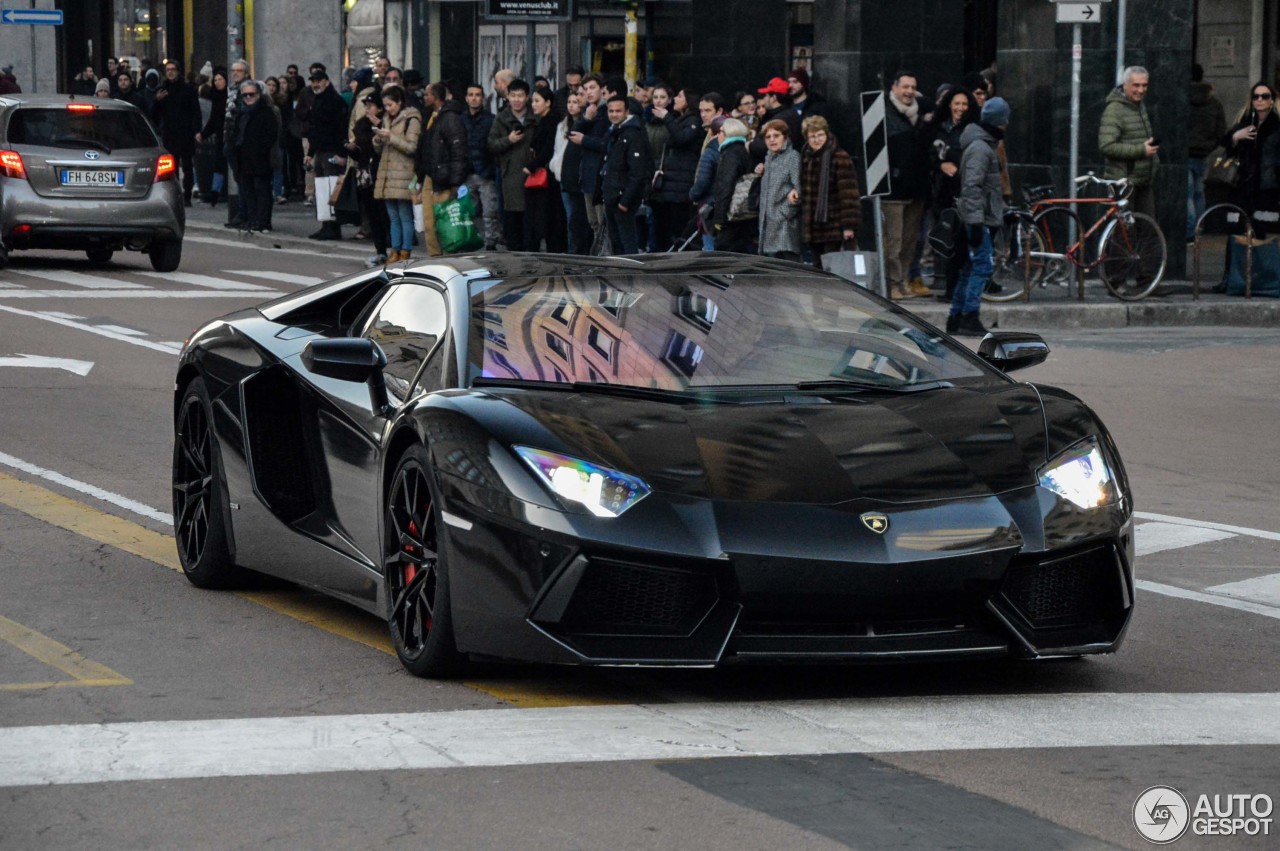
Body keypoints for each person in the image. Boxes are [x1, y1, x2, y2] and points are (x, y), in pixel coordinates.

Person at [952, 97, 1010, 337]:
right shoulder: (981, 148)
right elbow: (972, 187)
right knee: (982, 265)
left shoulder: (981, 144)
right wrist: (976, 223)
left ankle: (956, 317)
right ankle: (969, 316)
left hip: (980, 216)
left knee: (969, 266)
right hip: (978, 218)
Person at [1215, 82, 1280, 292]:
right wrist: (1237, 137)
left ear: (1272, 99)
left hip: (1267, 189)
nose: (1260, 100)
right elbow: (1224, 141)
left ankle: (1263, 281)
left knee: (1263, 232)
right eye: (1256, 96)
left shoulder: (1277, 125)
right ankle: (1233, 279)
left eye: (1265, 96)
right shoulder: (1244, 121)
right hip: (1241, 187)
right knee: (1236, 231)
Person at [882, 70, 933, 299]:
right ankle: (891, 283)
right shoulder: (885, 113)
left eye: (913, 87)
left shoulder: (920, 114)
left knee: (910, 241)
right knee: (894, 240)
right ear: (894, 88)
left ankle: (901, 281)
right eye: (905, 87)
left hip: (917, 188)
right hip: (894, 189)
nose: (909, 91)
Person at [1098, 65, 1159, 220]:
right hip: (1124, 181)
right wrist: (1141, 150)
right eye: (1136, 85)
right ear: (1125, 85)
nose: (1141, 90)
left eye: (1144, 85)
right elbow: (1106, 145)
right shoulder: (1115, 110)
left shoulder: (1139, 106)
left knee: (1148, 229)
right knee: (1123, 234)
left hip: (1143, 180)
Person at [799, 115, 860, 269]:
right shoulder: (805, 157)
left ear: (826, 134)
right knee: (818, 268)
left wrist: (848, 226)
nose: (816, 140)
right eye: (812, 136)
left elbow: (848, 196)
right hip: (813, 225)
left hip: (834, 224)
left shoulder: (839, 157)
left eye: (820, 135)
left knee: (835, 268)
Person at [928, 86, 972, 301]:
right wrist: (940, 165)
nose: (960, 108)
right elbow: (928, 153)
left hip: (963, 190)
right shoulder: (939, 127)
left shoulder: (971, 129)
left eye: (964, 104)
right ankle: (944, 282)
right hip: (942, 190)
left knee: (960, 241)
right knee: (943, 237)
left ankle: (955, 287)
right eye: (957, 104)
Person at [372, 85, 423, 261]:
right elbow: (379, 150)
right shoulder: (386, 119)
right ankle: (394, 250)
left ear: (399, 102)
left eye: (390, 105)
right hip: (387, 173)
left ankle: (405, 250)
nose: (387, 109)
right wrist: (378, 139)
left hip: (403, 173)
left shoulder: (412, 119)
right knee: (393, 216)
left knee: (404, 215)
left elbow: (411, 147)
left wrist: (391, 137)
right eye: (385, 105)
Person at [417, 81, 468, 256]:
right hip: (430, 176)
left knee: (445, 222)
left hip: (444, 178)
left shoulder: (450, 118)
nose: (424, 98)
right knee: (429, 223)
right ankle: (435, 259)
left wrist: (455, 181)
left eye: (427, 95)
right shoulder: (430, 117)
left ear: (435, 97)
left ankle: (449, 259)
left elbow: (458, 150)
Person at [649, 87, 703, 251]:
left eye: (679, 96)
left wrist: (667, 118)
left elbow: (681, 139)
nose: (675, 100)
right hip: (670, 181)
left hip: (681, 184)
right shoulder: (680, 120)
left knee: (678, 226)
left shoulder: (693, 121)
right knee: (665, 226)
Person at [488, 78, 535, 251]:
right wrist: (508, 140)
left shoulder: (535, 115)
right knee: (512, 220)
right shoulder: (502, 117)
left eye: (520, 96)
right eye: (513, 95)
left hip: (533, 174)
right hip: (510, 175)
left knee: (531, 220)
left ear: (527, 97)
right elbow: (491, 144)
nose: (516, 99)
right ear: (507, 96)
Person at [600, 94, 651, 255]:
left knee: (627, 241)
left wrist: (625, 200)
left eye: (618, 111)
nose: (614, 114)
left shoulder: (633, 134)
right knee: (616, 241)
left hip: (622, 198)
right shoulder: (615, 133)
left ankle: (631, 275)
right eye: (611, 111)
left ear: (626, 111)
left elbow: (637, 172)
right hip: (612, 195)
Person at [305, 69, 352, 240]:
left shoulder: (335, 101)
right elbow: (314, 129)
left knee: (332, 189)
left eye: (318, 81)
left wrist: (341, 154)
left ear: (326, 81)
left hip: (332, 151)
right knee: (323, 189)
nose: (315, 84)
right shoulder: (317, 100)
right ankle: (325, 224)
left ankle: (333, 226)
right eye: (313, 81)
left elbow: (341, 129)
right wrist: (310, 152)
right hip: (320, 151)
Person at [229, 80, 279, 232]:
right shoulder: (241, 113)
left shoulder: (266, 112)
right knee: (248, 191)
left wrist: (261, 151)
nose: (248, 98)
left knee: (262, 191)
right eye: (245, 95)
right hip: (244, 159)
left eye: (252, 94)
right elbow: (237, 134)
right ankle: (252, 220)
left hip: (260, 159)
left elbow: (271, 135)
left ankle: (263, 222)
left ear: (258, 95)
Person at [347, 91, 391, 265]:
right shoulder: (361, 125)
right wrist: (351, 149)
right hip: (366, 173)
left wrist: (379, 126)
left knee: (386, 213)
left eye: (371, 106)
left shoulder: (385, 123)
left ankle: (393, 248)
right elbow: (361, 152)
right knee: (372, 213)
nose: (367, 109)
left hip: (382, 171)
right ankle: (380, 249)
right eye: (366, 106)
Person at [523, 86, 568, 252]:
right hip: (543, 175)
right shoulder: (542, 120)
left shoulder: (553, 121)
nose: (533, 105)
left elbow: (549, 149)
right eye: (532, 101)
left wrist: (532, 165)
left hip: (548, 177)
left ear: (548, 102)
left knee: (550, 218)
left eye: (537, 101)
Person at [568, 73, 609, 253]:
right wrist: (585, 119)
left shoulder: (608, 112)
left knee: (602, 225)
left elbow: (605, 144)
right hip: (587, 176)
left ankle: (606, 260)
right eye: (585, 89)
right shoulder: (590, 112)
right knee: (593, 223)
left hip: (600, 177)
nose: (589, 92)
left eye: (592, 88)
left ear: (602, 89)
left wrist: (585, 140)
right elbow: (572, 134)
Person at [152, 61, 203, 207]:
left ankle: (186, 195)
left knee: (187, 166)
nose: (170, 72)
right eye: (168, 70)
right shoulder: (163, 90)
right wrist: (157, 101)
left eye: (173, 69)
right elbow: (154, 114)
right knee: (170, 168)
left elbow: (195, 112)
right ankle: (173, 195)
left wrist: (197, 130)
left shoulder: (188, 89)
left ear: (179, 71)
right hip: (169, 133)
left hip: (185, 133)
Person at [1188, 63, 1227, 240]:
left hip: (1185, 153)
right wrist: (1208, 146)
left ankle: (1189, 232)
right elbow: (1221, 132)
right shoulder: (1214, 103)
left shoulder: (1182, 97)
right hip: (1203, 154)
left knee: (1187, 193)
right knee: (1198, 191)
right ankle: (1199, 228)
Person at [755, 119, 802, 260]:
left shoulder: (792, 157)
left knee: (789, 270)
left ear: (785, 137)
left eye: (776, 135)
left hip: (785, 226)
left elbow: (799, 188)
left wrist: (784, 213)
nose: (772, 140)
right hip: (769, 226)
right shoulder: (769, 159)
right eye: (768, 137)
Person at [462, 83, 500, 250]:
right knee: (467, 210)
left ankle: (491, 241)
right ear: (466, 98)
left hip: (485, 171)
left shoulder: (491, 119)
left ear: (483, 98)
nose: (474, 98)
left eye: (477, 95)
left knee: (489, 211)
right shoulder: (460, 119)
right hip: (466, 171)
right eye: (471, 95)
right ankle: (470, 239)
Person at [711, 117, 755, 253]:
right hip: (743, 213)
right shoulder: (743, 150)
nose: (718, 135)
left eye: (720, 131)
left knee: (726, 254)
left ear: (726, 133)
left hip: (730, 215)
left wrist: (718, 219)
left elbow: (725, 186)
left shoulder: (730, 154)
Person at [690, 115, 726, 251]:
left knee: (710, 246)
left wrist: (693, 195)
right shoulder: (740, 149)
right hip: (729, 207)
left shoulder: (710, 152)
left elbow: (702, 182)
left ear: (711, 133)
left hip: (709, 206)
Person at [195, 68, 229, 206]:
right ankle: (215, 192)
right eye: (215, 80)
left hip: (230, 134)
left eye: (220, 79)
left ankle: (225, 192)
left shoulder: (230, 97)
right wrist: (203, 134)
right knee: (219, 164)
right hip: (220, 135)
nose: (217, 82)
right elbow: (214, 119)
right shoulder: (215, 97)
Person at [749, 78, 801, 161]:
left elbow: (762, 147)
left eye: (766, 95)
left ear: (773, 98)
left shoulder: (780, 119)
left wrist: (750, 145)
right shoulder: (787, 113)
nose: (765, 99)